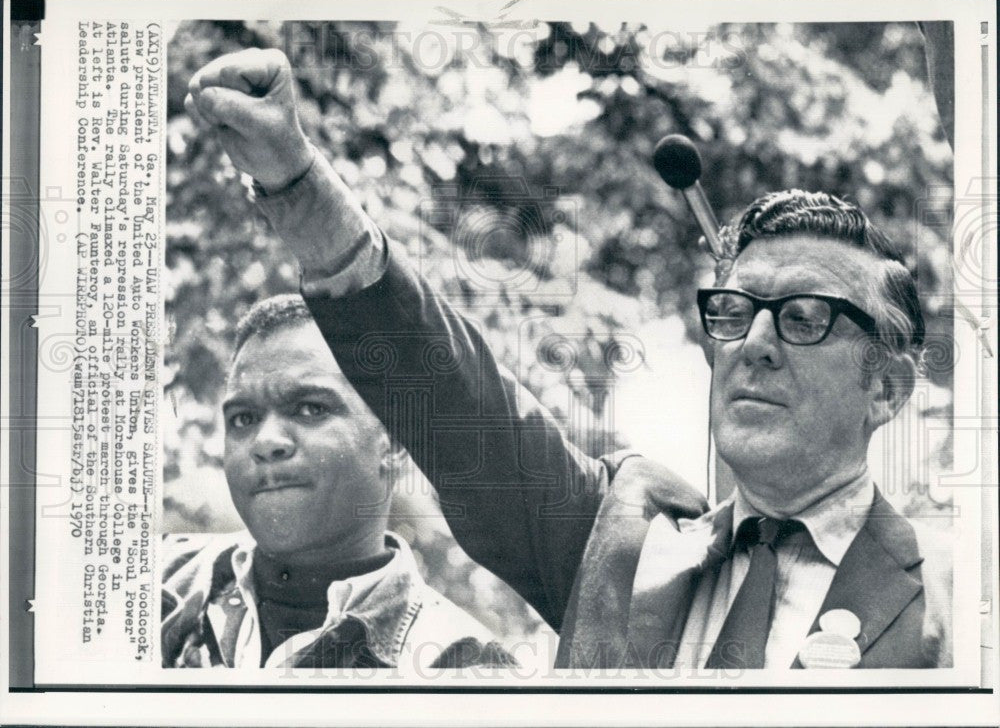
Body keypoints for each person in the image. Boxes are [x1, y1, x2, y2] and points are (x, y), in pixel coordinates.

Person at [184, 48, 952, 670]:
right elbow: (456, 402)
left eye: (804, 319)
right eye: (733, 312)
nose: (753, 344)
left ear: (886, 387)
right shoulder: (620, 538)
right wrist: (294, 182)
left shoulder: (952, 609)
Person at [161, 295, 518, 669]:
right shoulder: (154, 584)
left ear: (395, 442)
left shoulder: (458, 665)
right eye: (243, 419)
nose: (265, 442)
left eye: (310, 409)